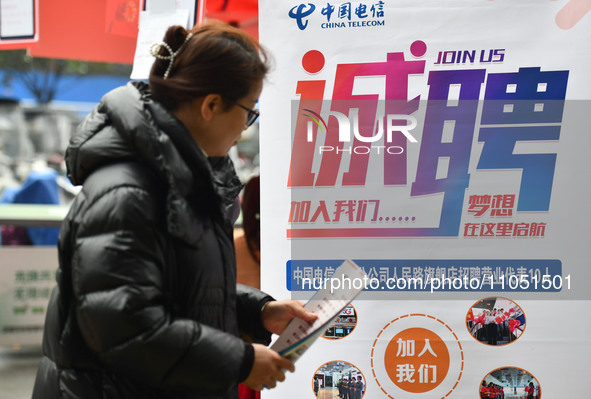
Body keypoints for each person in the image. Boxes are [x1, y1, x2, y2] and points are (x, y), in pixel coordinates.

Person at [31, 21, 317, 399]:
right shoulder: (127, 190)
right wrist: (240, 361)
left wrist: (257, 311)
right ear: (211, 106)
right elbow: (124, 325)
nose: (245, 130)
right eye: (249, 112)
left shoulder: (179, 176)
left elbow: (175, 289)